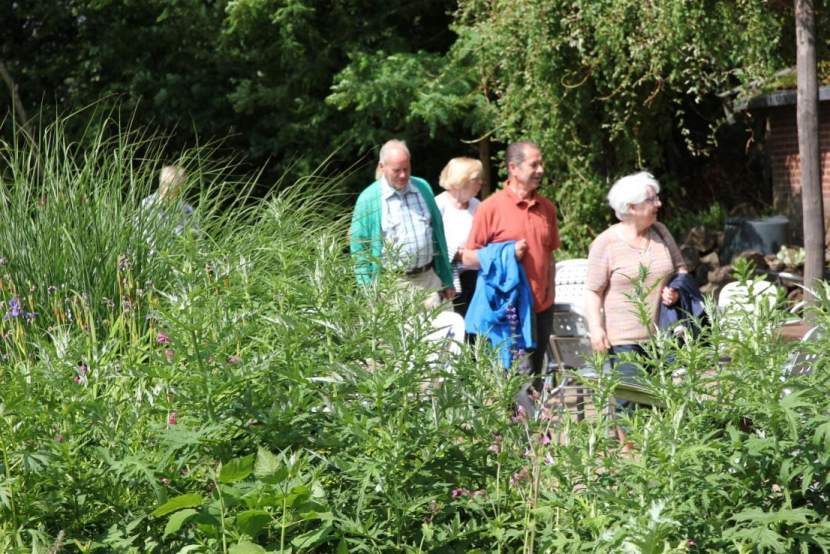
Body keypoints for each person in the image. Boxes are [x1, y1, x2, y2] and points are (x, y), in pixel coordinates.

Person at [584, 172, 687, 447]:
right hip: (624, 339)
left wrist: (675, 289)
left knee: (669, 399)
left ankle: (666, 457)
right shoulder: (605, 243)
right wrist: (596, 328)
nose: (658, 204)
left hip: (664, 334)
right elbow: (593, 291)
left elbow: (681, 269)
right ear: (631, 208)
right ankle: (632, 461)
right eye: (651, 200)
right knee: (630, 405)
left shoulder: (661, 233)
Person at [462, 141, 560, 376]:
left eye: (541, 164)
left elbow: (550, 257)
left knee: (535, 380)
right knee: (512, 384)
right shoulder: (490, 208)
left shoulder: (547, 208)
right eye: (534, 164)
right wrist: (505, 254)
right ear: (513, 168)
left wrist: (550, 297)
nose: (541, 170)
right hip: (509, 314)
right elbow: (468, 257)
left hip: (541, 309)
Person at [349, 139, 455, 309]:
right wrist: (367, 288)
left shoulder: (423, 187)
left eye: (406, 168)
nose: (403, 175)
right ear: (382, 167)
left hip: (428, 279)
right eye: (396, 170)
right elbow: (359, 248)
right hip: (392, 286)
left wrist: (447, 279)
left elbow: (439, 236)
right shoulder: (368, 199)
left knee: (443, 333)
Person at [435, 157, 483, 317]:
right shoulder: (438, 205)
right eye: (476, 179)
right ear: (461, 179)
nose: (480, 183)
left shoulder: (478, 206)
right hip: (449, 277)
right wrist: (457, 253)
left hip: (476, 275)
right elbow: (433, 241)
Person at [141, 165, 194, 237]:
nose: (181, 192)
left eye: (182, 187)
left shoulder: (187, 209)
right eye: (177, 188)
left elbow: (196, 236)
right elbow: (146, 235)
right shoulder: (148, 204)